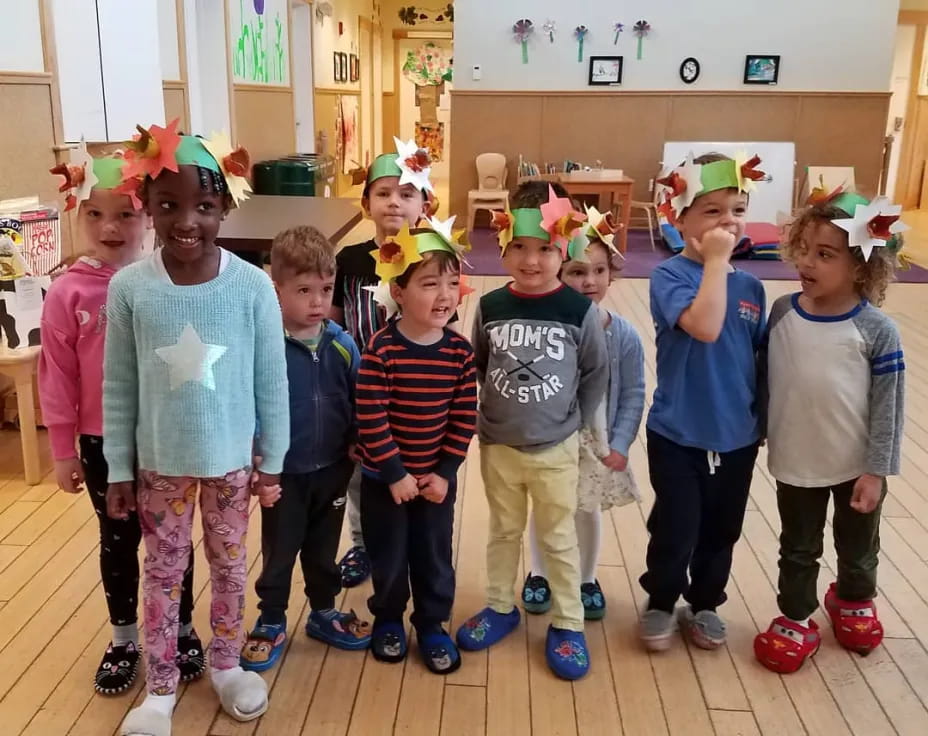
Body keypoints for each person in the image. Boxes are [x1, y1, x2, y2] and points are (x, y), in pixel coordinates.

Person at [103, 123, 290, 736]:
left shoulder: (253, 285)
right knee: (163, 571)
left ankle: (228, 664)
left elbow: (271, 380)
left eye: (205, 206)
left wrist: (274, 457)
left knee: (232, 569)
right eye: (169, 205)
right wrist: (121, 468)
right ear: (147, 208)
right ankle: (159, 689)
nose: (188, 220)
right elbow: (119, 384)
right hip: (160, 464)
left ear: (226, 207)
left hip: (233, 463)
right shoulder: (130, 287)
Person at [39, 147, 204, 695]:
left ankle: (180, 628)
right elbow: (57, 376)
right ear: (76, 214)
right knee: (117, 540)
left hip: (163, 434)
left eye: (126, 214)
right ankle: (126, 636)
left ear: (150, 217)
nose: (110, 227)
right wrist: (63, 450)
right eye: (95, 213)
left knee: (174, 539)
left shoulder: (168, 282)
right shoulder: (68, 292)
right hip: (100, 440)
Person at [455, 181, 608, 681]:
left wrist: (580, 427)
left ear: (565, 247)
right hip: (499, 444)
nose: (531, 259)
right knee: (502, 531)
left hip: (556, 448)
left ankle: (568, 623)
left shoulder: (578, 310)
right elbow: (477, 363)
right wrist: (490, 416)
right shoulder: (492, 306)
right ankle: (501, 605)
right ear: (502, 243)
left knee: (558, 537)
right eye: (518, 246)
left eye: (545, 248)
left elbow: (594, 373)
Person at [753, 191, 905, 673]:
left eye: (825, 254)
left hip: (855, 466)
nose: (807, 262)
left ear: (861, 266)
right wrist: (752, 427)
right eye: (804, 249)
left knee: (858, 545)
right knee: (798, 547)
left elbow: (888, 409)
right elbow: (763, 380)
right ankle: (796, 616)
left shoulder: (876, 330)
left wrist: (877, 470)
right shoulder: (781, 314)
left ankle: (853, 600)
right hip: (796, 460)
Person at [639, 153, 767, 653]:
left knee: (721, 531)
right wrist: (716, 261)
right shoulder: (669, 277)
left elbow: (756, 360)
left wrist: (764, 422)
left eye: (735, 209)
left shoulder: (752, 285)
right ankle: (660, 599)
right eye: (711, 211)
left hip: (737, 436)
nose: (727, 221)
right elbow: (706, 328)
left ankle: (706, 602)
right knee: (676, 527)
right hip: (678, 434)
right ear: (679, 217)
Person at [240, 225, 371, 673]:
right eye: (303, 290)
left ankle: (323, 611)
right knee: (280, 550)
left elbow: (360, 401)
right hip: (283, 474)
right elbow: (247, 404)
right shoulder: (262, 346)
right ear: (275, 289)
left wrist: (357, 439)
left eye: (326, 289)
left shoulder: (342, 343)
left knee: (322, 548)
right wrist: (256, 455)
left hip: (332, 469)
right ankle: (271, 619)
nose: (317, 301)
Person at [356, 221, 476, 674]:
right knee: (387, 557)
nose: (444, 294)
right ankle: (387, 618)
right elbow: (371, 417)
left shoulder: (459, 354)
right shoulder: (380, 351)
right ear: (399, 291)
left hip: (435, 484)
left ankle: (431, 624)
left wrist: (445, 472)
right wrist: (394, 474)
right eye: (429, 283)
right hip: (384, 482)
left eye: (451, 282)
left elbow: (464, 419)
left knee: (434, 557)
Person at [523, 210, 645, 621]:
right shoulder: (544, 325)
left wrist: (622, 442)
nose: (589, 281)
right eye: (577, 271)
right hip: (549, 439)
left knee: (586, 510)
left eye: (598, 270)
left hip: (596, 444)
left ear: (612, 274)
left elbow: (633, 394)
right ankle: (539, 574)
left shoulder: (623, 334)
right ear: (559, 271)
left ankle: (587, 578)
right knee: (546, 509)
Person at [332, 139, 433, 589]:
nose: (395, 202)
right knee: (361, 475)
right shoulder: (350, 261)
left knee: (414, 470)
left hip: (415, 392)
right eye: (384, 193)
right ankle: (362, 543)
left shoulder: (432, 259)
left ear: (424, 203)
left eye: (407, 193)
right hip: (361, 393)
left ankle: (412, 542)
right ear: (366, 202)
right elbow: (332, 328)